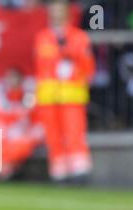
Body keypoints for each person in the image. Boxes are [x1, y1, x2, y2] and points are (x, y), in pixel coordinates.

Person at [34, 0, 95, 183]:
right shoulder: (42, 37)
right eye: (53, 10)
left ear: (68, 12)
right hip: (49, 94)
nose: (56, 14)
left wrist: (72, 60)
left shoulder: (80, 37)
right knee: (53, 134)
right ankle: (59, 170)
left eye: (60, 10)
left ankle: (79, 169)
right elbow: (41, 64)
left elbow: (88, 66)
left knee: (75, 131)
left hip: (72, 93)